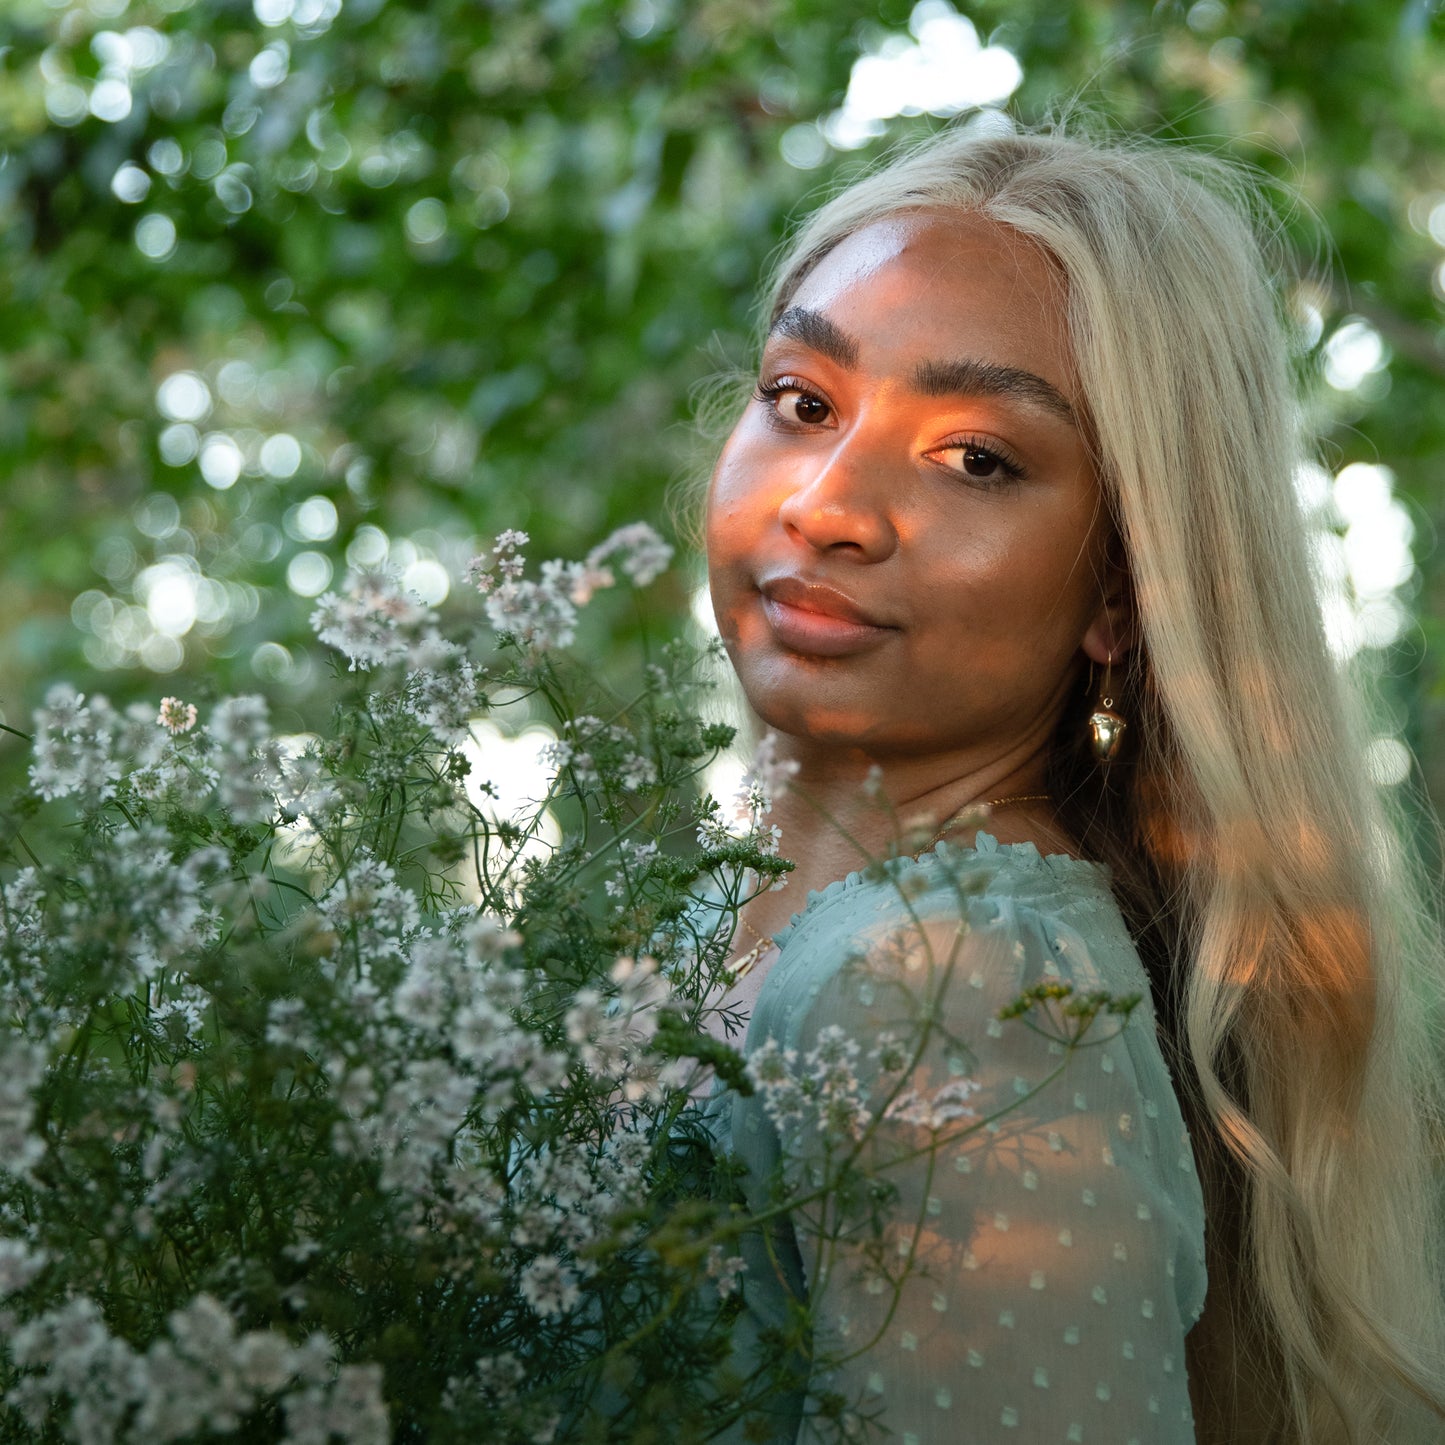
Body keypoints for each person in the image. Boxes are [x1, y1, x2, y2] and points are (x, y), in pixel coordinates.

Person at [691, 122, 1445, 1445]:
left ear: (1116, 587)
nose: (825, 504)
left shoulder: (954, 987)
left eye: (976, 457)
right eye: (802, 400)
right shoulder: (763, 926)